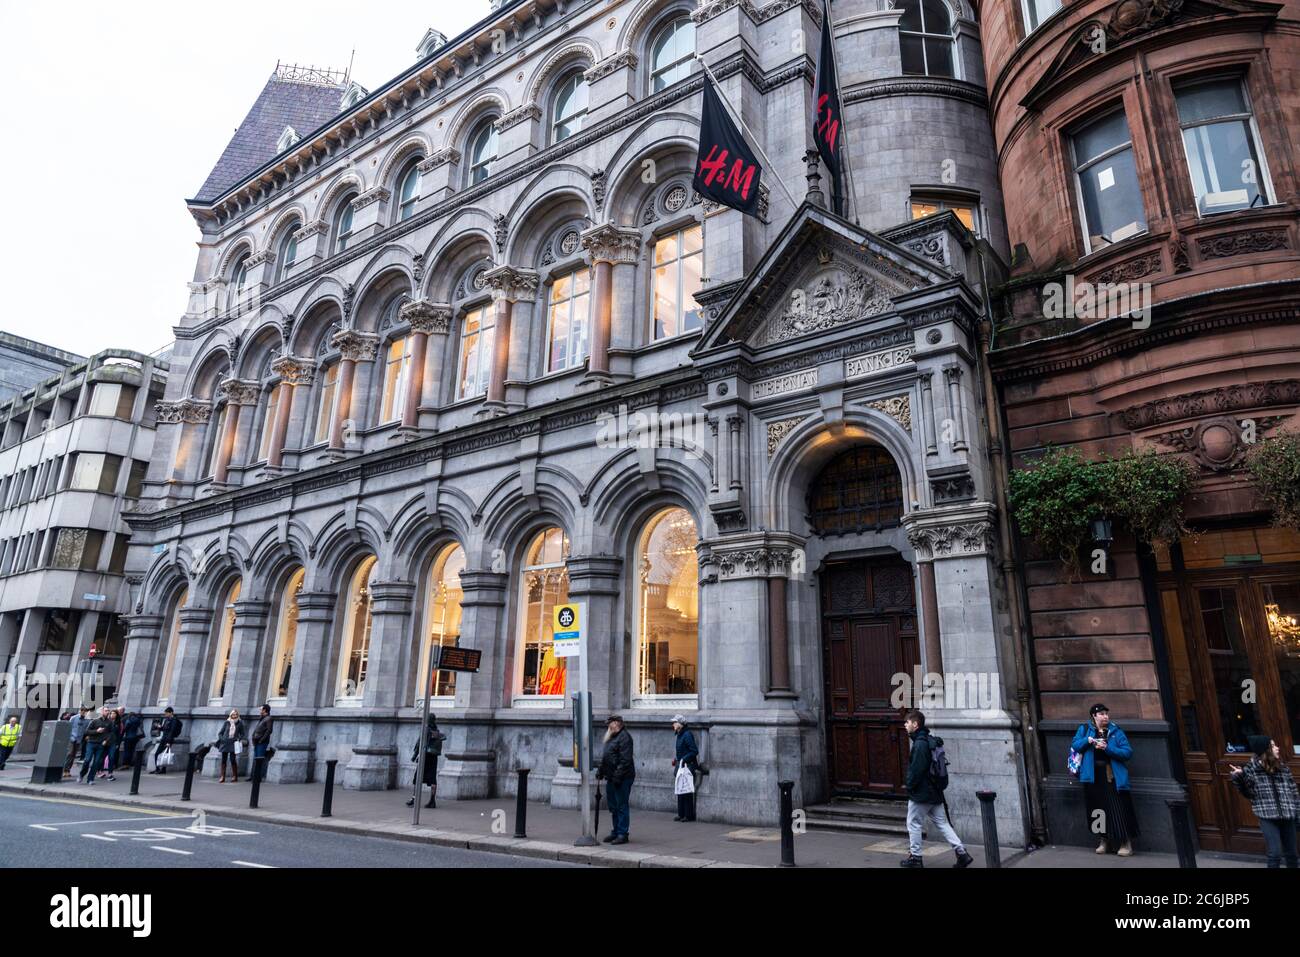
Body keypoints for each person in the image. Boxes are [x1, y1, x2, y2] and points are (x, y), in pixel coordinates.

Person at [900, 710, 973, 868]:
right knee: (942, 823)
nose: (905, 725)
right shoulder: (929, 740)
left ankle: (916, 858)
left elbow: (917, 770)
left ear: (915, 724)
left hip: (922, 793)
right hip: (934, 791)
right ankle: (962, 853)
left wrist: (910, 786)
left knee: (913, 823)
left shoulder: (919, 744)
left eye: (907, 722)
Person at [1072, 702, 1137, 857]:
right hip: (1093, 776)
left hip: (1112, 776)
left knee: (1118, 808)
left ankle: (1125, 842)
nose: (1105, 716)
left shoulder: (1115, 731)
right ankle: (1104, 841)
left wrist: (1107, 748)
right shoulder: (1085, 729)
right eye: (1101, 714)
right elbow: (1075, 745)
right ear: (1094, 716)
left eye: (1106, 714)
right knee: (1097, 809)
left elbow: (1127, 753)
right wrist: (1087, 740)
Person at [1230, 735, 1299, 868]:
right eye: (1273, 746)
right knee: (1275, 854)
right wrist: (1240, 777)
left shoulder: (1283, 768)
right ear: (1265, 750)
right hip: (1267, 816)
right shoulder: (1251, 770)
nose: (1277, 748)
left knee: (1292, 854)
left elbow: (1294, 793)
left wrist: (1298, 814)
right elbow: (1248, 793)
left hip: (1287, 814)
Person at [596, 715, 635, 845]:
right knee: (613, 806)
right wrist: (601, 770)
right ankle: (616, 830)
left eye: (610, 723)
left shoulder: (624, 737)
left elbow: (625, 760)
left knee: (621, 805)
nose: (608, 726)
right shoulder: (612, 737)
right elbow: (606, 756)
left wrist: (618, 776)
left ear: (617, 723)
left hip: (622, 778)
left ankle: (623, 833)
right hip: (612, 777)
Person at [406, 714, 446, 809]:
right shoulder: (437, 731)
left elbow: (419, 744)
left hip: (425, 755)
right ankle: (432, 800)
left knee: (417, 777)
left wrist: (414, 756)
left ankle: (414, 799)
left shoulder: (426, 729)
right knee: (432, 778)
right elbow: (443, 737)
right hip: (433, 756)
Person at [671, 714, 698, 822]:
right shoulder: (679, 734)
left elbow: (694, 751)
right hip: (681, 765)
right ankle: (681, 813)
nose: (673, 724)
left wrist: (683, 759)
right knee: (680, 789)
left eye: (674, 722)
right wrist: (677, 759)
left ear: (680, 724)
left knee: (686, 790)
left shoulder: (687, 735)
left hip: (687, 766)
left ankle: (688, 815)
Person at [79, 709, 112, 784]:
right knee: (87, 760)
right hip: (91, 743)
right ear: (102, 712)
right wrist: (96, 731)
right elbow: (87, 731)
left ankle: (90, 779)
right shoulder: (95, 721)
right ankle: (82, 774)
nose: (108, 712)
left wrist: (106, 740)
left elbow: (110, 733)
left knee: (96, 762)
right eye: (106, 711)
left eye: (108, 711)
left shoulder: (110, 722)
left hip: (101, 744)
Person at [215, 709, 246, 783]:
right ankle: (222, 776)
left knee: (232, 759)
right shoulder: (227, 722)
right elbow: (220, 733)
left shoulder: (240, 723)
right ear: (231, 715)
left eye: (235, 714)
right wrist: (222, 739)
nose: (234, 716)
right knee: (224, 760)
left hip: (233, 743)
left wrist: (238, 739)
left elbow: (242, 733)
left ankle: (235, 776)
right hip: (225, 743)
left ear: (237, 715)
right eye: (233, 714)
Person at [150, 707, 182, 774]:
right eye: (165, 713)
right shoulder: (167, 719)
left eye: (167, 713)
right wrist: (160, 727)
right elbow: (165, 729)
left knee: (163, 754)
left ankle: (161, 769)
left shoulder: (174, 720)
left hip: (168, 739)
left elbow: (172, 731)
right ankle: (159, 769)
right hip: (164, 738)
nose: (165, 714)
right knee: (159, 754)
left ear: (171, 713)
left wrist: (169, 742)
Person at [64, 708, 91, 778]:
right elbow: (69, 727)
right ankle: (65, 770)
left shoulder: (87, 721)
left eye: (85, 712)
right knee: (69, 753)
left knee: (73, 755)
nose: (84, 713)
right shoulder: (73, 718)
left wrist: (87, 736)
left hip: (79, 739)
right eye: (83, 711)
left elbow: (86, 730)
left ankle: (68, 770)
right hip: (72, 738)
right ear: (80, 711)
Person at [250, 704, 274, 779]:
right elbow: (257, 728)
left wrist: (262, 739)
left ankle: (257, 777)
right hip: (257, 741)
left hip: (262, 742)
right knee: (255, 758)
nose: (260, 711)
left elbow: (269, 730)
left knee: (259, 759)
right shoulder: (262, 718)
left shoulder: (268, 718)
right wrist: (253, 737)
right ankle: (253, 776)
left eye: (261, 709)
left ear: (264, 710)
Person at [98, 709, 121, 780]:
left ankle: (110, 773)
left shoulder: (119, 723)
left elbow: (119, 734)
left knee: (111, 757)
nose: (112, 715)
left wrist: (118, 743)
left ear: (117, 715)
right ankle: (100, 771)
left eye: (114, 713)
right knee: (102, 757)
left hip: (113, 743)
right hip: (105, 742)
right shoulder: (107, 722)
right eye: (111, 713)